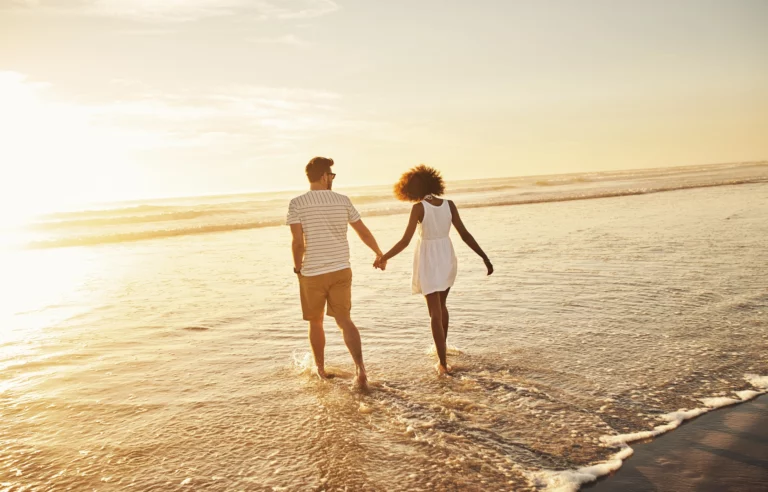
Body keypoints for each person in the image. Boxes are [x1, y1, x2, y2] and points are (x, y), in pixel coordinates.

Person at [375, 165, 493, 375]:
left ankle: (443, 363)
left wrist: (384, 257)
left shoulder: (419, 208)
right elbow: (465, 234)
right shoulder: (449, 204)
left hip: (429, 258)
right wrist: (484, 257)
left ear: (410, 188)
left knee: (434, 313)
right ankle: (442, 351)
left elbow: (405, 241)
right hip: (446, 255)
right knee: (442, 307)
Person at [286, 157, 383, 390]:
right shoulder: (342, 201)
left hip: (312, 273)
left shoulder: (297, 203)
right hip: (340, 269)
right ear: (323, 176)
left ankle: (320, 369)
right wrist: (378, 253)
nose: (332, 179)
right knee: (344, 320)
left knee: (316, 322)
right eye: (331, 175)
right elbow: (363, 231)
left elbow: (298, 243)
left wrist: (298, 267)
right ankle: (360, 369)